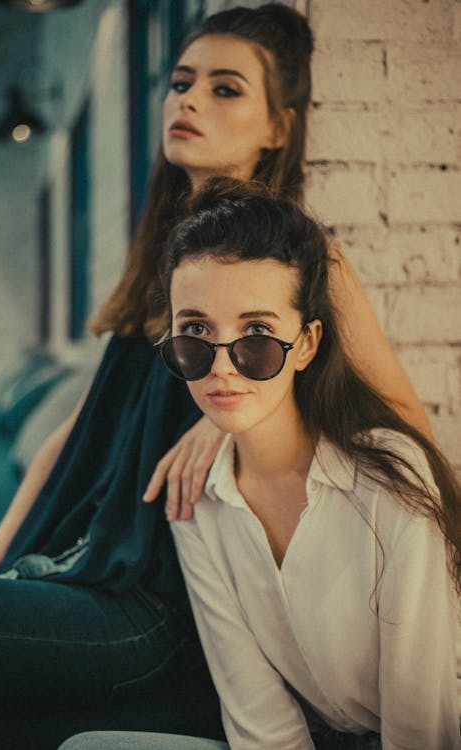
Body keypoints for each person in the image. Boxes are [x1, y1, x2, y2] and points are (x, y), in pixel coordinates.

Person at [0, 2, 434, 746]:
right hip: (90, 540)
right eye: (181, 82)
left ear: (278, 126)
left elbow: (406, 422)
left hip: (154, 592)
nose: (186, 99)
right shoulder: (170, 258)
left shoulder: (303, 265)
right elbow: (74, 438)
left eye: (225, 88)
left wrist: (227, 427)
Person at [59, 186, 460, 750]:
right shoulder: (195, 502)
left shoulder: (390, 478)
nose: (222, 367)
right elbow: (260, 720)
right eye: (196, 332)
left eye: (257, 334)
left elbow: (423, 730)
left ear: (305, 344)